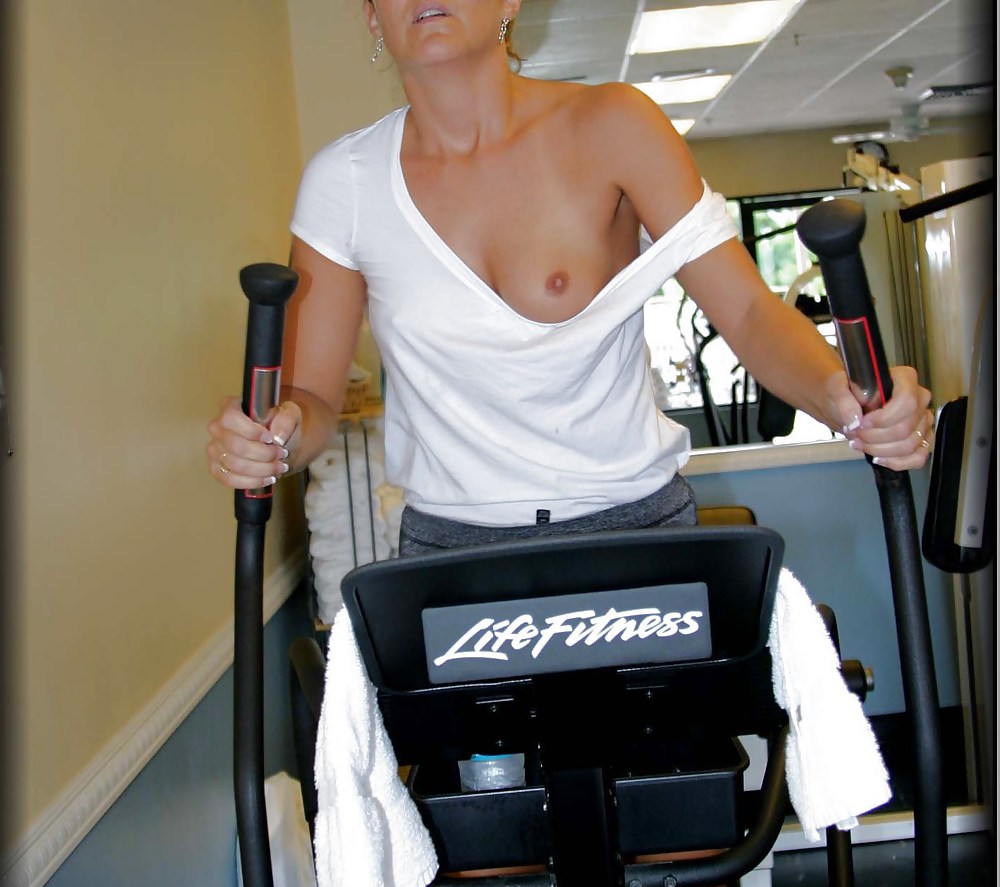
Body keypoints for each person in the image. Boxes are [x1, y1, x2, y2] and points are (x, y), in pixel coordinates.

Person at [207, 0, 934, 543]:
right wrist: (272, 439)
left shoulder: (614, 125)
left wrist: (844, 398)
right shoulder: (345, 183)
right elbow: (311, 399)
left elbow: (746, 313)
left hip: (633, 526)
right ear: (372, 15)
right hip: (452, 546)